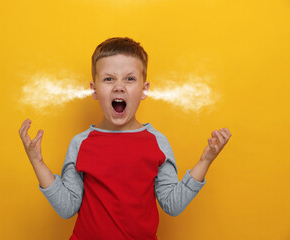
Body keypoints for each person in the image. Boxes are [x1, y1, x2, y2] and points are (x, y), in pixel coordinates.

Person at [19, 37, 232, 240]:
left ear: (144, 90)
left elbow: (172, 205)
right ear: (94, 90)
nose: (119, 86)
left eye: (130, 79)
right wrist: (37, 162)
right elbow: (67, 208)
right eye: (109, 79)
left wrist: (205, 161)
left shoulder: (157, 142)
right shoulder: (80, 143)